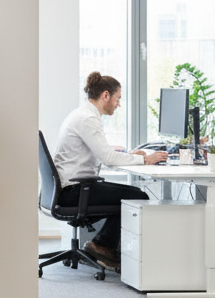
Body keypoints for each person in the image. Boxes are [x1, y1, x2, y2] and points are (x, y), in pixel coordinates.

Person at [52, 72, 167, 270]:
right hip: (74, 191)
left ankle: (104, 245)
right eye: (118, 98)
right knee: (137, 196)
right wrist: (145, 159)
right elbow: (108, 159)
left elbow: (101, 152)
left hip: (69, 188)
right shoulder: (88, 118)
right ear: (106, 95)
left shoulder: (83, 114)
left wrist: (128, 154)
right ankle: (102, 246)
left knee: (128, 194)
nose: (118, 104)